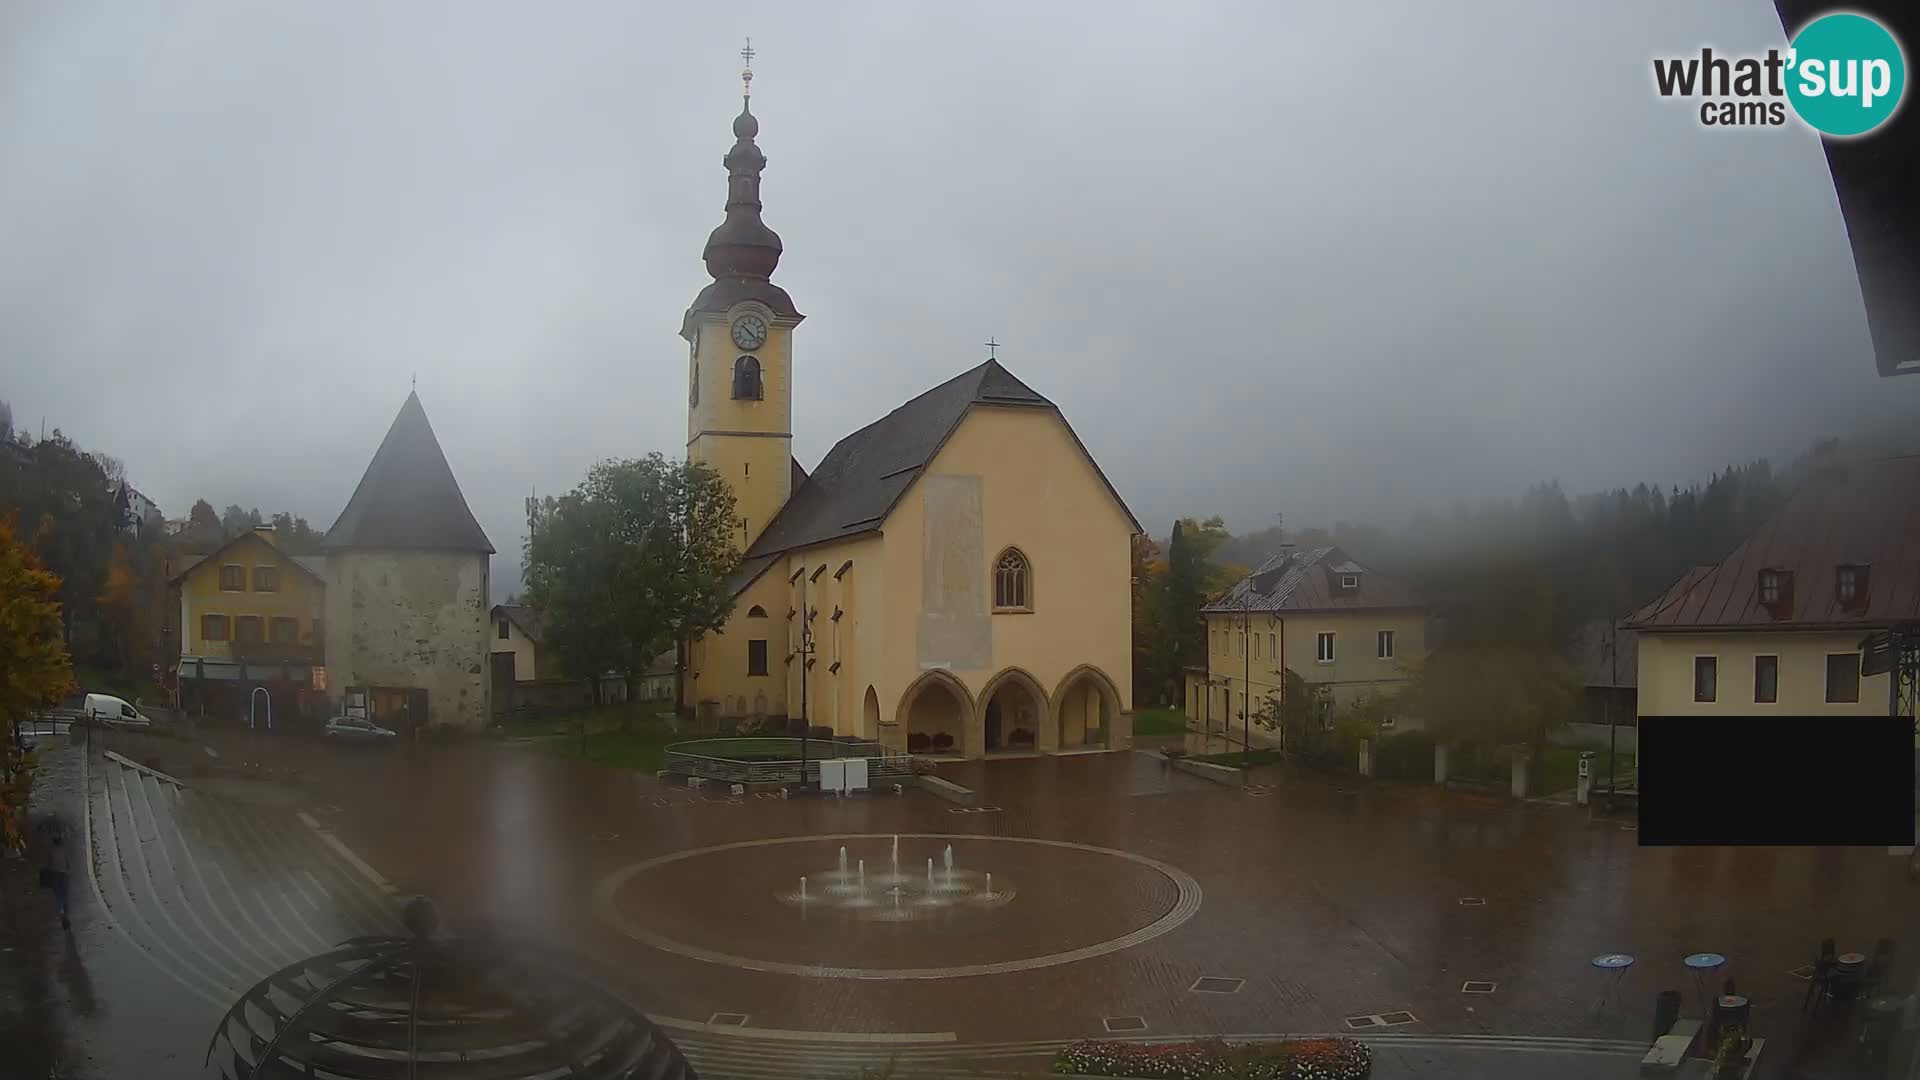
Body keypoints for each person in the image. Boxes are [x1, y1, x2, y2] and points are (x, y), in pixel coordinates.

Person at [41, 824, 73, 931]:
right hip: (64, 875)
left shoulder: (51, 851)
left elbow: (49, 864)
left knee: (58, 895)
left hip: (55, 875)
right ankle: (66, 913)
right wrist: (68, 870)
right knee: (65, 895)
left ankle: (61, 911)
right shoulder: (64, 850)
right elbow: (68, 863)